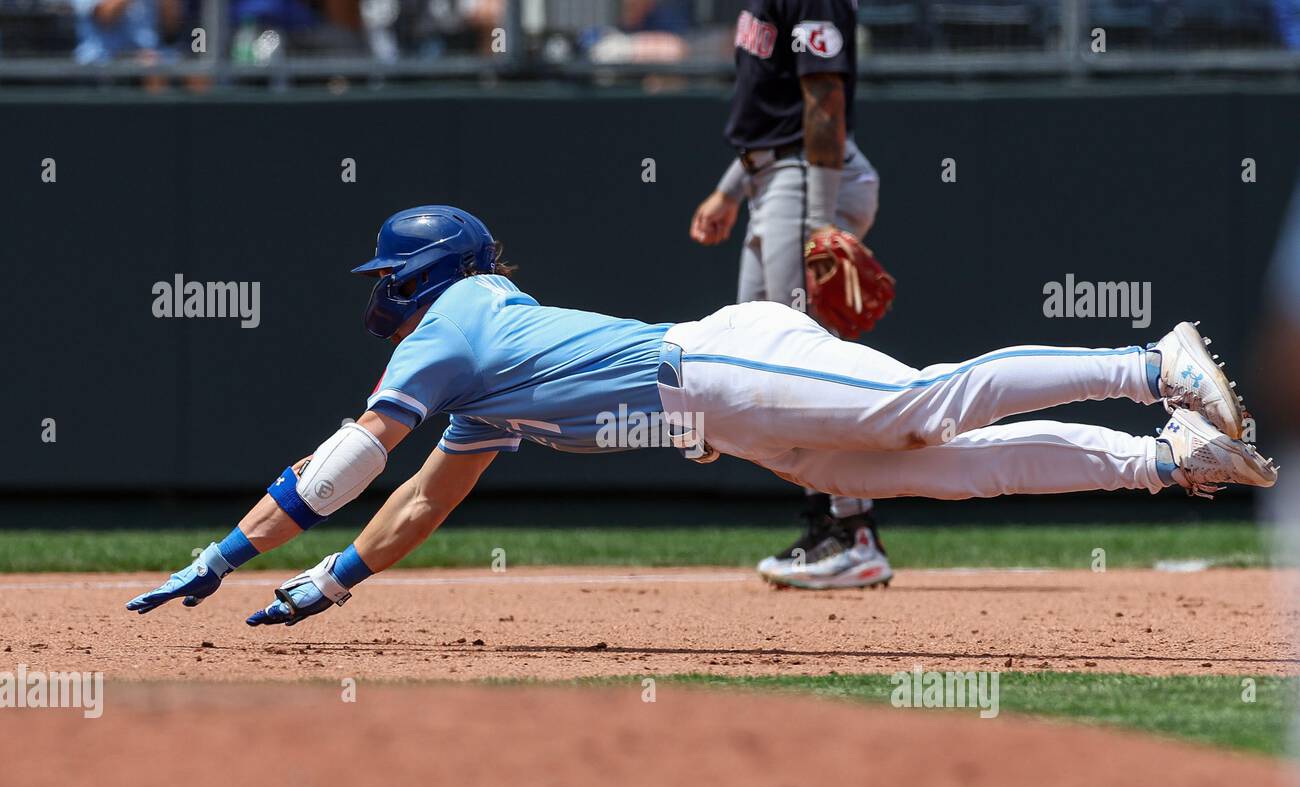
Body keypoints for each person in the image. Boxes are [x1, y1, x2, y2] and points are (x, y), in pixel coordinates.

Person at [125, 205, 1278, 626]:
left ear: (429, 275)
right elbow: (423, 493)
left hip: (722, 367)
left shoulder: (460, 315)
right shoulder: (479, 381)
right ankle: (1172, 460)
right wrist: (326, 584)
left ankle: (1149, 361)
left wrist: (227, 551)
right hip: (737, 425)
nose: (381, 294)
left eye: (389, 275)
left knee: (924, 399)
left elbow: (357, 455)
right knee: (950, 468)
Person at [690, 0, 894, 590]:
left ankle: (853, 531)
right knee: (760, 355)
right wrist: (731, 191)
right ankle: (831, 524)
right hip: (771, 175)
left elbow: (825, 101)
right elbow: (772, 112)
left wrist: (817, 227)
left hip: (807, 179)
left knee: (799, 362)